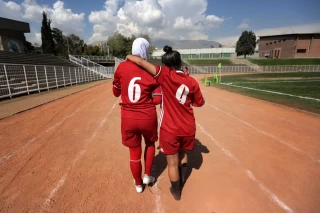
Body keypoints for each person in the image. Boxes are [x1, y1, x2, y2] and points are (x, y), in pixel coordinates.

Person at [126, 46, 205, 200]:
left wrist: (128, 56)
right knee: (183, 153)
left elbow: (140, 62)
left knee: (172, 163)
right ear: (180, 62)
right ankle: (182, 180)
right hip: (188, 126)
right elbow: (200, 103)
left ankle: (176, 191)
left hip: (170, 128)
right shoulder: (191, 81)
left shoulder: (165, 74)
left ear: (165, 64)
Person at [112, 38, 161, 193]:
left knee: (134, 152)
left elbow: (115, 92)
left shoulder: (122, 67)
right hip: (147, 116)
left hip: (128, 117)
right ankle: (147, 175)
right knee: (150, 144)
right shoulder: (152, 69)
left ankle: (138, 184)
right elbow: (158, 99)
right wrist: (145, 101)